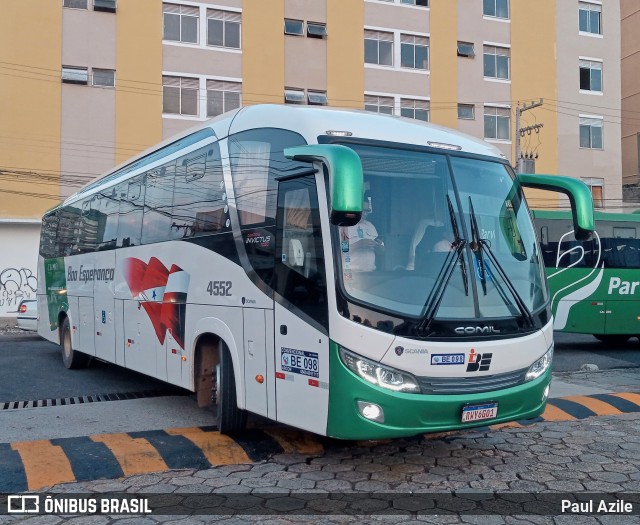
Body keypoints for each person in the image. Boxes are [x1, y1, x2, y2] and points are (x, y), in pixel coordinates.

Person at [341, 194, 383, 272]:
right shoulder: (343, 227)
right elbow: (341, 251)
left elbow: (382, 252)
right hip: (351, 273)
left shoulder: (370, 226)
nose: (365, 213)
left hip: (370, 272)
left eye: (367, 211)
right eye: (362, 210)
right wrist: (359, 245)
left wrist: (379, 247)